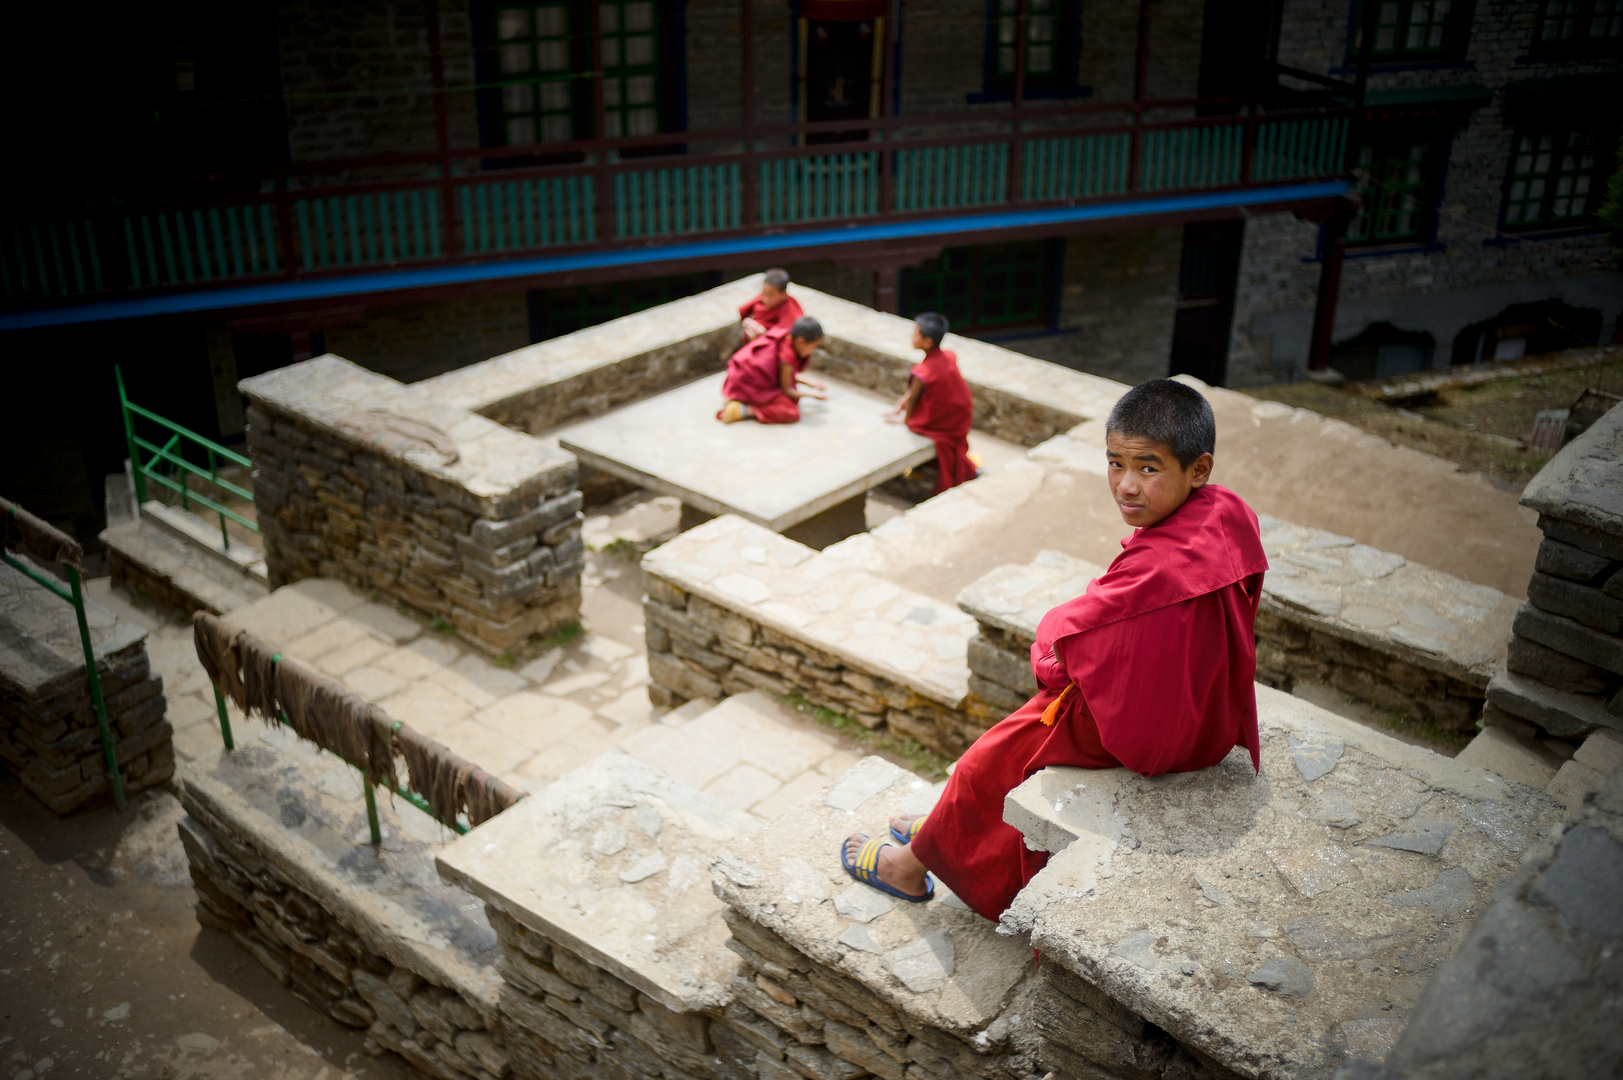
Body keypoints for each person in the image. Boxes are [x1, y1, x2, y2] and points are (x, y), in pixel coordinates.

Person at [842, 379, 1269, 919]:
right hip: (1204, 708)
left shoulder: (1156, 570)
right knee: (987, 767)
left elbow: (1062, 649)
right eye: (1115, 463)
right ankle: (937, 829)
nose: (1126, 486)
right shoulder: (1228, 513)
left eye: (1148, 468)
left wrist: (1047, 654)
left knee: (983, 765)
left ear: (1198, 469)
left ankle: (906, 868)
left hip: (1149, 728)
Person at [882, 312, 977, 493]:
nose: (912, 337)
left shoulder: (922, 372)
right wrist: (899, 406)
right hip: (960, 414)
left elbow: (913, 399)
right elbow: (911, 395)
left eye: (916, 334)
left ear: (927, 342)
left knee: (916, 426)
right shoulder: (949, 355)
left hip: (946, 420)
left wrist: (906, 420)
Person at [718, 315, 828, 424]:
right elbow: (787, 390)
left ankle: (740, 402)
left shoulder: (786, 336)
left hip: (736, 378)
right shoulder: (788, 356)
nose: (812, 352)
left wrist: (811, 384)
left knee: (792, 394)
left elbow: (785, 374)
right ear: (800, 341)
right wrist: (812, 395)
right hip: (744, 385)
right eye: (813, 347)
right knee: (791, 411)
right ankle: (744, 410)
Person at [739, 268, 805, 342]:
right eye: (764, 293)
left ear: (783, 294)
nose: (766, 299)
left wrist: (763, 333)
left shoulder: (790, 307)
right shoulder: (761, 298)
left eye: (771, 295)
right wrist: (749, 324)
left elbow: (786, 337)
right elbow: (743, 313)